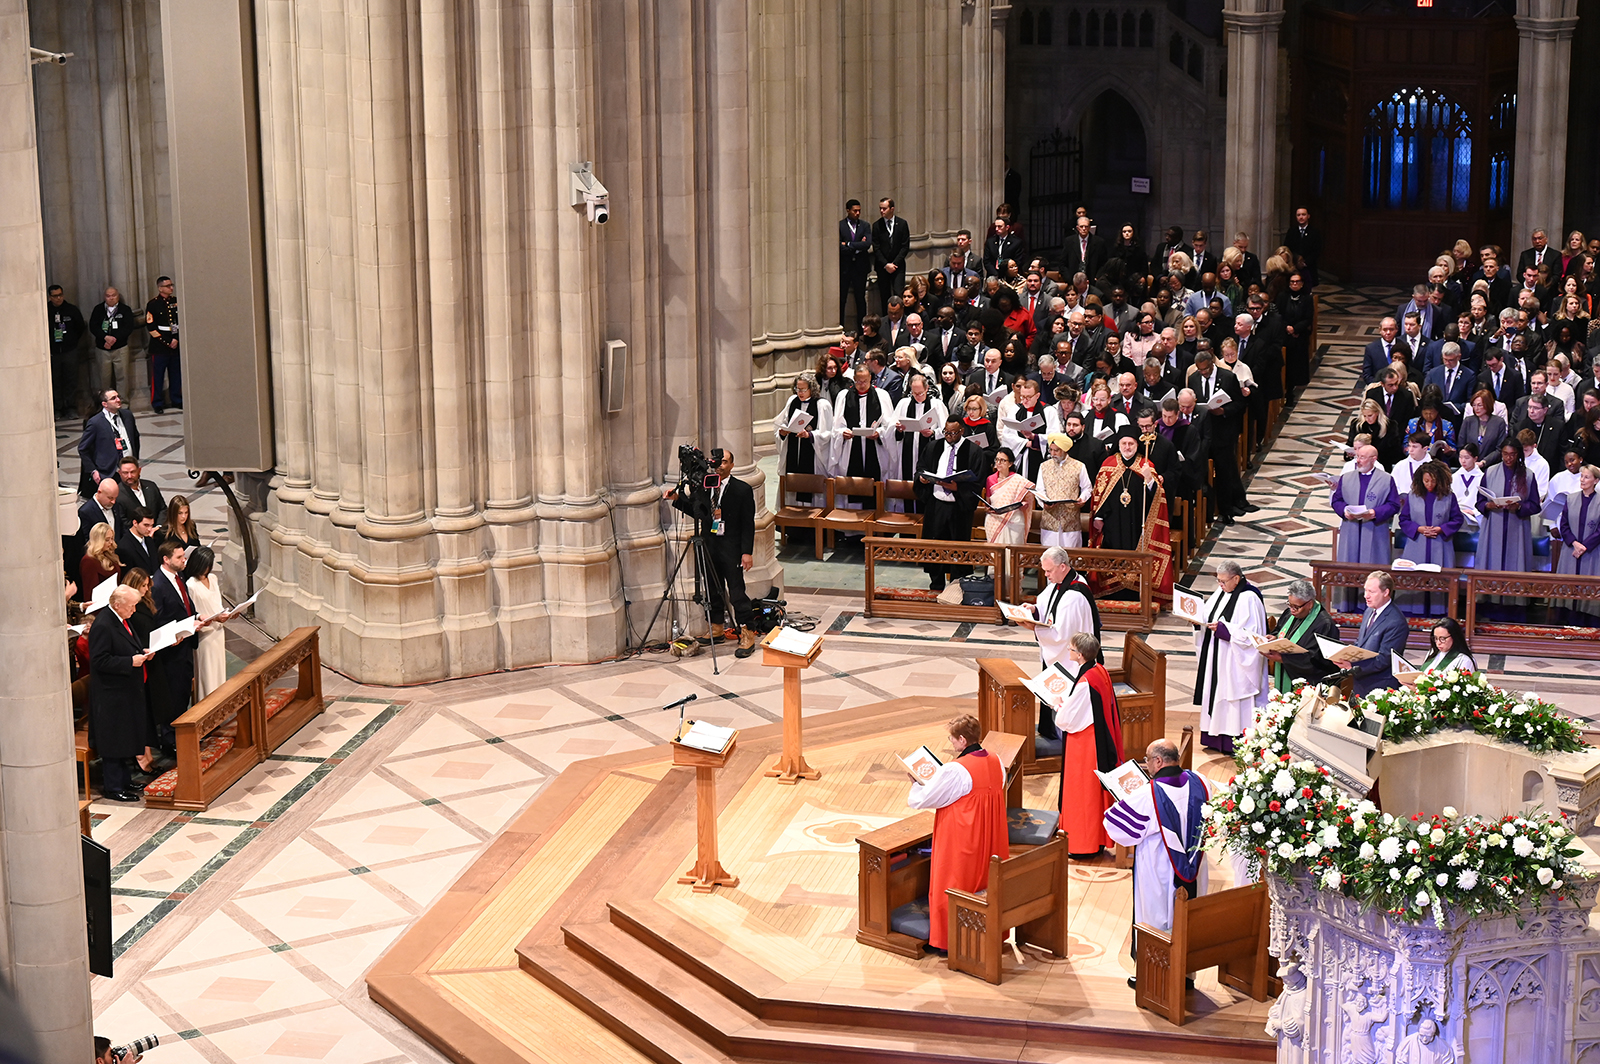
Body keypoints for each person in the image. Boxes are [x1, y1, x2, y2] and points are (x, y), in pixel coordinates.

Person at [1102, 738, 1212, 990]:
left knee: (1156, 918)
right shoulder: (1201, 782)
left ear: (1159, 761)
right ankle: (1186, 975)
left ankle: (1153, 977)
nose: (1145, 765)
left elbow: (1116, 828)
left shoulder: (1146, 794)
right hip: (1195, 867)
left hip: (1159, 869)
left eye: (1147, 760)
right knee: (1189, 918)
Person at [905, 713, 1008, 954]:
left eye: (952, 740)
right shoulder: (996, 760)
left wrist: (916, 783)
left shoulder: (955, 769)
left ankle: (947, 940)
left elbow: (929, 798)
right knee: (984, 878)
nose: (951, 744)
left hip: (961, 834)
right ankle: (987, 930)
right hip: (990, 833)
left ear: (962, 740)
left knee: (952, 879)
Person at [1016, 546, 1101, 742]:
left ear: (1063, 566)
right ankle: (1050, 729)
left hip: (1073, 659)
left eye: (1049, 570)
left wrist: (1032, 627)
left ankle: (1064, 735)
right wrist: (1035, 610)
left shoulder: (1074, 595)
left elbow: (1062, 636)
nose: (1046, 575)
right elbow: (1048, 603)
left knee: (1064, 698)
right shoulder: (1063, 581)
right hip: (1064, 653)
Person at [1053, 633, 1123, 859]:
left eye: (1071, 649)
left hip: (1084, 745)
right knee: (1091, 791)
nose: (1069, 652)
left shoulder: (1085, 682)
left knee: (1082, 791)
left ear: (1080, 655)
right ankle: (1097, 839)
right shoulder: (1099, 670)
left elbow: (1066, 720)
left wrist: (1058, 706)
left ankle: (1082, 844)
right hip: (1097, 738)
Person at [1188, 561, 1267, 753]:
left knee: (1232, 698)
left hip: (1234, 661)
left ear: (1236, 578)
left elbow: (1253, 636)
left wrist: (1226, 630)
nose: (1220, 585)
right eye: (1218, 581)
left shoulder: (1250, 598)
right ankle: (1214, 738)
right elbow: (1207, 616)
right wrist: (1197, 622)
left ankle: (1235, 741)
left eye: (1223, 581)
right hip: (1216, 656)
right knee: (1216, 693)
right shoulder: (1221, 592)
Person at [87, 586, 154, 802]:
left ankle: (125, 780)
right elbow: (99, 661)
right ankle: (113, 787)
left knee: (125, 737)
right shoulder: (103, 625)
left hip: (125, 691)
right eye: (132, 606)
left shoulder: (120, 618)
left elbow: (124, 644)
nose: (134, 610)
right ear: (118, 605)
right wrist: (129, 662)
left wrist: (140, 653)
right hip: (111, 695)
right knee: (114, 741)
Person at [1090, 430, 1173, 600]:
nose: (1127, 447)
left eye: (1131, 444)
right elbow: (1099, 494)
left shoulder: (1145, 464)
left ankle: (1135, 591)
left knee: (1135, 552)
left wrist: (1149, 479)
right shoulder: (1109, 463)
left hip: (1137, 520)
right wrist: (1098, 517)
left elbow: (1157, 496)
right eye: (1124, 444)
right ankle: (1113, 588)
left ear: (1137, 445)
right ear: (1118, 445)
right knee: (1114, 551)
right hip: (1113, 521)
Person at [916, 418, 984, 591]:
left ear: (962, 431)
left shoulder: (973, 451)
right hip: (936, 505)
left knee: (957, 548)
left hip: (959, 508)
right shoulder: (934, 447)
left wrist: (958, 487)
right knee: (934, 546)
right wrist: (922, 479)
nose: (949, 436)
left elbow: (978, 481)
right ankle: (936, 584)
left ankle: (956, 586)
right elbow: (920, 467)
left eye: (953, 433)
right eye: (946, 432)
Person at [704, 450, 758, 656]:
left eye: (724, 462)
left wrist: (747, 552)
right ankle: (716, 627)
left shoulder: (741, 490)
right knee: (712, 587)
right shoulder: (707, 485)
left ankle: (748, 632)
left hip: (731, 547)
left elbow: (748, 524)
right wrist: (676, 499)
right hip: (710, 545)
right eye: (717, 462)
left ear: (732, 465)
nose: (719, 465)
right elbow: (698, 511)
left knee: (736, 591)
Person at [831, 367, 894, 508]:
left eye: (865, 380)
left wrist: (879, 433)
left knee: (875, 482)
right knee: (853, 482)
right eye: (858, 381)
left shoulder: (881, 395)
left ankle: (875, 520)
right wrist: (843, 433)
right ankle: (852, 527)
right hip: (851, 447)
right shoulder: (844, 396)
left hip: (875, 449)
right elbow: (836, 426)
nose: (862, 384)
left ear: (870, 379)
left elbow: (889, 426)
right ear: (854, 379)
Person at [1263, 580, 1340, 693]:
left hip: (1309, 686)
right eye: (1289, 604)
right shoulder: (1290, 613)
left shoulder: (1324, 625)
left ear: (1310, 604)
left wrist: (1283, 658)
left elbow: (1317, 660)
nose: (1292, 610)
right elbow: (1280, 630)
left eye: (1296, 607)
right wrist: (1274, 637)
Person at [1331, 445, 1400, 567]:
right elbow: (1336, 500)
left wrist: (1375, 512)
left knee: (1373, 569)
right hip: (1350, 528)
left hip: (1374, 530)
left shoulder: (1386, 479)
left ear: (1373, 459)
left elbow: (1394, 504)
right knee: (1348, 569)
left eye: (1362, 457)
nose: (1358, 460)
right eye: (1358, 456)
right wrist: (1344, 511)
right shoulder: (1346, 478)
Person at [1344, 571, 1409, 697]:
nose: (1366, 596)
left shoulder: (1396, 622)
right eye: (1365, 590)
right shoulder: (1369, 611)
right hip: (1361, 682)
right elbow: (1361, 642)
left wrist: (1352, 665)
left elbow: (1383, 660)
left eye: (1372, 592)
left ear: (1386, 592)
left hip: (1379, 686)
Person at [1477, 442, 1540, 571]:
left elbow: (1535, 505)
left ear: (1518, 455)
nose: (1508, 458)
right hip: (1494, 525)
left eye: (1512, 455)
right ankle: (1491, 589)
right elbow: (1479, 502)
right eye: (1505, 454)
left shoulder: (1528, 475)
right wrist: (1488, 505)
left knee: (1516, 563)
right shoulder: (1490, 472)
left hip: (1517, 526)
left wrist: (1519, 507)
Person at [774, 373, 834, 507]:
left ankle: (813, 523)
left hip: (813, 456)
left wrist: (810, 435)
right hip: (793, 453)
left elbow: (828, 433)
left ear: (811, 389)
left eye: (803, 389)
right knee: (792, 486)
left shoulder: (822, 405)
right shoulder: (792, 401)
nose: (799, 393)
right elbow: (782, 423)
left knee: (810, 490)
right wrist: (783, 432)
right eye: (797, 389)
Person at [185, 547, 232, 700]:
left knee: (219, 671)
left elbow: (216, 603)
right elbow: (193, 611)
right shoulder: (191, 584)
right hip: (205, 635)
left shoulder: (213, 578)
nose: (207, 568)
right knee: (207, 673)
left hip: (218, 631)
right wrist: (211, 618)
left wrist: (228, 614)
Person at [1398, 461, 1462, 569]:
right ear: (1420, 479)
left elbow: (1457, 519)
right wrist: (1418, 528)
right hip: (1417, 543)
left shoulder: (1449, 496)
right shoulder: (1413, 496)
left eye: (1433, 481)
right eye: (1426, 481)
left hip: (1441, 544)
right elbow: (1404, 519)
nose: (1430, 484)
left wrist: (1441, 529)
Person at [78, 388, 139, 492]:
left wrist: (135, 461)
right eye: (113, 398)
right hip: (108, 471)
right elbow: (83, 448)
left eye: (118, 397)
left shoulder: (127, 415)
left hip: (128, 470)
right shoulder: (95, 422)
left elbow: (135, 438)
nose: (118, 400)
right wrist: (93, 470)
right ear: (105, 404)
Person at [1037, 434, 1091, 548]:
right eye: (1051, 450)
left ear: (1065, 450)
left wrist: (1082, 499)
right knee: (1050, 558)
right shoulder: (1043, 466)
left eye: (1056, 451)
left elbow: (1087, 488)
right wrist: (1044, 503)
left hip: (1070, 521)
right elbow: (1040, 490)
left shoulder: (1079, 466)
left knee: (1071, 557)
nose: (1052, 454)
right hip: (1049, 520)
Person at [47, 283, 88, 419]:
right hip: (53, 352)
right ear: (50, 297)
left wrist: (72, 341)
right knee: (55, 381)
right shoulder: (46, 310)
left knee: (71, 379)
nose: (58, 298)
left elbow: (80, 327)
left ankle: (71, 407)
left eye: (60, 295)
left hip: (69, 350)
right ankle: (57, 409)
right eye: (55, 296)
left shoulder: (71, 310)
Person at [88, 286, 135, 400]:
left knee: (122, 377)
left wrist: (114, 339)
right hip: (103, 349)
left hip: (120, 348)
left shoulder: (125, 310)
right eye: (108, 296)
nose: (111, 298)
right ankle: (105, 403)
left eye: (113, 295)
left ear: (118, 296)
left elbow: (128, 327)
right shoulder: (98, 309)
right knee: (104, 378)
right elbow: (93, 326)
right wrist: (105, 337)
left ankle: (123, 402)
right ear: (105, 297)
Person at [145, 275, 182, 412]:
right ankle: (157, 403)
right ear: (160, 288)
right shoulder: (153, 304)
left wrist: (176, 338)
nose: (171, 288)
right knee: (158, 376)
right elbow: (151, 327)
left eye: (171, 285)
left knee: (176, 374)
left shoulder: (176, 302)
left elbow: (180, 322)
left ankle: (177, 399)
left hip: (176, 344)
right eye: (168, 286)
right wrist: (167, 341)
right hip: (160, 346)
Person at [982, 448, 1034, 545]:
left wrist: (1024, 504)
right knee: (996, 553)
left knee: (1013, 554)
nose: (998, 463)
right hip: (995, 520)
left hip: (1014, 520)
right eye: (997, 459)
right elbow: (989, 501)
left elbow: (1028, 498)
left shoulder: (1018, 480)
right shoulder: (990, 479)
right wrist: (987, 509)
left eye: (1003, 460)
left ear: (1010, 463)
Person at [1558, 464, 1600, 575]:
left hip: (1592, 550)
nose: (1582, 480)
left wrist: (1584, 546)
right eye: (1581, 476)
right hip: (1571, 549)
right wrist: (1575, 543)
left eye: (1587, 477)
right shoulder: (1571, 498)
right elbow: (1564, 524)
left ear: (1596, 480)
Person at [871, 198, 910, 314]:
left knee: (899, 293)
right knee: (884, 296)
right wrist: (886, 264)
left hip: (898, 267)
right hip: (883, 267)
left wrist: (895, 263)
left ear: (892, 209)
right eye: (880, 209)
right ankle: (886, 320)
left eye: (884, 208)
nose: (882, 211)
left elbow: (905, 246)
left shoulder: (902, 224)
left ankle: (900, 318)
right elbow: (876, 248)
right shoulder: (877, 225)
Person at [838, 198, 871, 331]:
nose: (857, 213)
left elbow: (867, 244)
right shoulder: (840, 226)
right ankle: (840, 326)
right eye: (855, 211)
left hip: (860, 267)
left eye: (859, 211)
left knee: (860, 298)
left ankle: (862, 328)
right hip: (845, 268)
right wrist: (858, 245)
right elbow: (838, 247)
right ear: (848, 210)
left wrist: (849, 244)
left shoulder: (864, 225)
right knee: (842, 298)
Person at [112, 457, 165, 527]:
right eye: (125, 473)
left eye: (132, 472)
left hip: (156, 533)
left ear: (139, 470)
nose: (129, 476)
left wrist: (158, 526)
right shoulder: (117, 493)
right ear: (120, 473)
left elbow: (163, 509)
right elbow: (122, 521)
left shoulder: (151, 486)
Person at [79, 524, 122, 603]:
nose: (111, 542)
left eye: (112, 538)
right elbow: (90, 593)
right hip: (101, 607)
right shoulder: (89, 561)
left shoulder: (110, 555)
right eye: (107, 540)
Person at [116, 508, 161, 575]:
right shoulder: (124, 547)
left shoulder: (149, 540)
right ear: (135, 523)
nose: (149, 529)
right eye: (146, 525)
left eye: (151, 525)